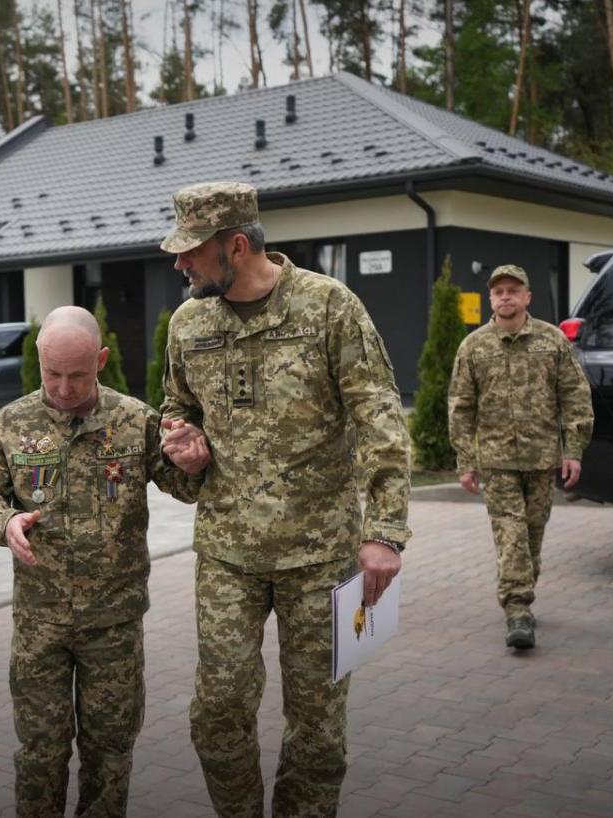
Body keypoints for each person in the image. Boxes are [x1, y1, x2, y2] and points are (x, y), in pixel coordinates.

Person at [159, 182, 412, 818]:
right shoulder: (189, 323)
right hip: (228, 553)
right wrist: (183, 445)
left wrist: (384, 532)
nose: (179, 262)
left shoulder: (328, 307)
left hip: (319, 556)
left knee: (318, 725)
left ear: (236, 247)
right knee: (218, 709)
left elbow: (380, 418)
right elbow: (177, 409)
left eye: (191, 249)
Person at [0, 306, 208, 818]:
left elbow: (183, 487)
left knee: (110, 750)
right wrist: (5, 522)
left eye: (78, 374)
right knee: (41, 750)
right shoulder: (11, 423)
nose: (64, 388)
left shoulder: (135, 421)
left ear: (101, 360)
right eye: (52, 373)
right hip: (40, 622)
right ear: (38, 359)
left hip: (113, 622)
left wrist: (195, 462)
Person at [448, 264, 593, 650]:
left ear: (527, 297)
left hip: (542, 458)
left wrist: (573, 449)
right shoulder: (474, 346)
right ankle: (517, 609)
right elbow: (461, 408)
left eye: (513, 290)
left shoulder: (552, 341)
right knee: (511, 535)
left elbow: (574, 396)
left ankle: (523, 591)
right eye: (499, 292)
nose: (506, 297)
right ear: (491, 299)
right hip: (496, 462)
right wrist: (466, 460)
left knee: (531, 536)